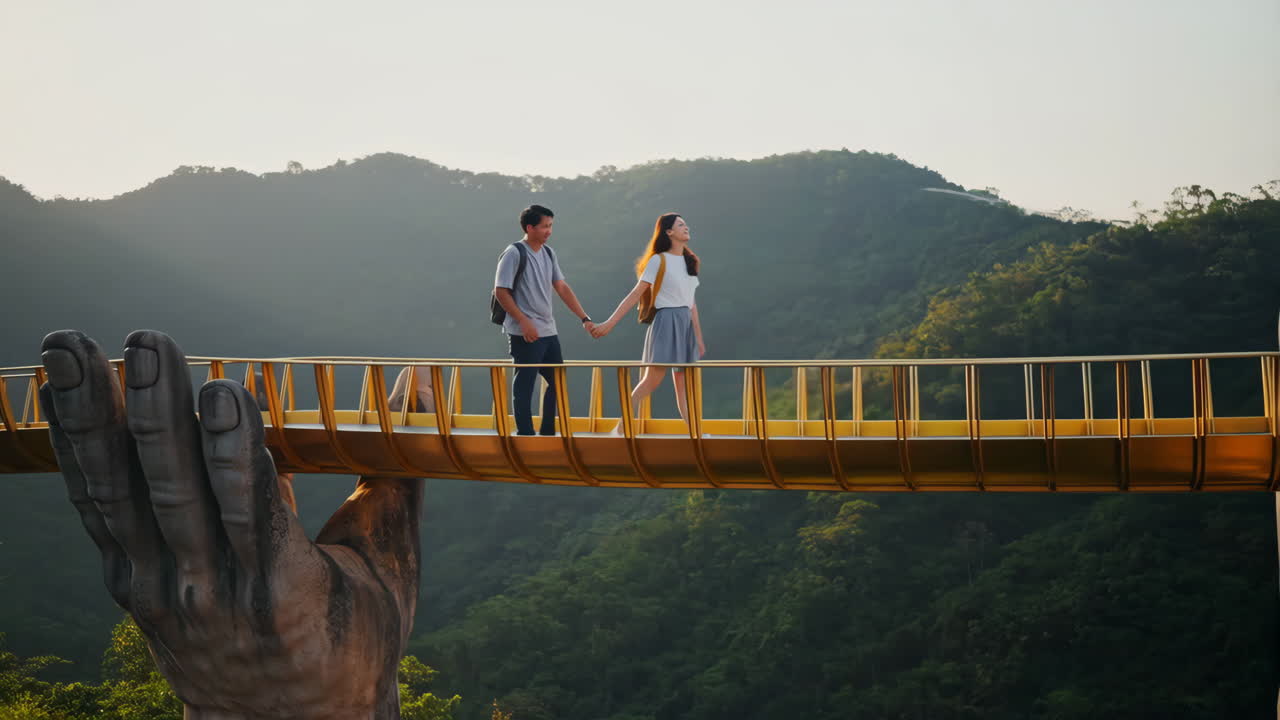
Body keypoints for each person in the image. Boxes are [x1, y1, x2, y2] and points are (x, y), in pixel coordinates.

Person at [591, 213, 705, 433]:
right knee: (651, 381)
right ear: (668, 232)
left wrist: (698, 337)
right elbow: (635, 294)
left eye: (685, 224)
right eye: (680, 225)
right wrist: (610, 323)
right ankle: (621, 427)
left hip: (684, 324)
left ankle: (695, 433)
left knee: (683, 384)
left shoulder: (690, 262)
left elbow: (691, 303)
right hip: (666, 321)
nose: (686, 227)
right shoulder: (658, 260)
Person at [493, 204, 596, 435]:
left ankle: (547, 431)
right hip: (525, 331)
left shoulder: (549, 253)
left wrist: (584, 318)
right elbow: (501, 291)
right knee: (525, 384)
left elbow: (561, 287)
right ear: (529, 228)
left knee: (557, 381)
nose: (549, 231)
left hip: (549, 331)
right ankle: (525, 434)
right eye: (544, 226)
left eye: (550, 226)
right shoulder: (514, 253)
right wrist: (523, 321)